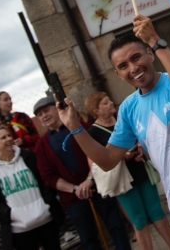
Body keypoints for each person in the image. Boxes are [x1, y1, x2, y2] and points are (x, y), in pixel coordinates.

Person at [55, 14, 170, 250]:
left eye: (136, 58)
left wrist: (154, 38)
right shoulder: (129, 108)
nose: (133, 68)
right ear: (117, 74)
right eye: (123, 66)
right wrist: (74, 127)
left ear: (150, 54)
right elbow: (107, 160)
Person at [84, 92, 170, 250]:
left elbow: (139, 137)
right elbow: (94, 163)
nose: (111, 103)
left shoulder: (122, 121)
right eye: (105, 103)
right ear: (96, 111)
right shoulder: (92, 134)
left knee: (157, 212)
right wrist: (121, 156)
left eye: (109, 100)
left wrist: (140, 150)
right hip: (123, 182)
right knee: (139, 220)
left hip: (140, 171)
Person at [33, 96, 131, 250]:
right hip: (73, 198)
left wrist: (89, 180)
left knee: (117, 226)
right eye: (39, 114)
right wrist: (75, 189)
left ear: (56, 108)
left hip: (98, 186)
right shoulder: (41, 146)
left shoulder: (81, 128)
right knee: (88, 239)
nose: (44, 115)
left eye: (46, 110)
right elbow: (48, 176)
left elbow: (98, 153)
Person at [0, 126, 64, 250]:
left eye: (9, 135)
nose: (9, 139)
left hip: (46, 220)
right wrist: (10, 214)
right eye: (3, 137)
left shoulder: (29, 157)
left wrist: (46, 205)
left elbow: (45, 179)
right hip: (20, 230)